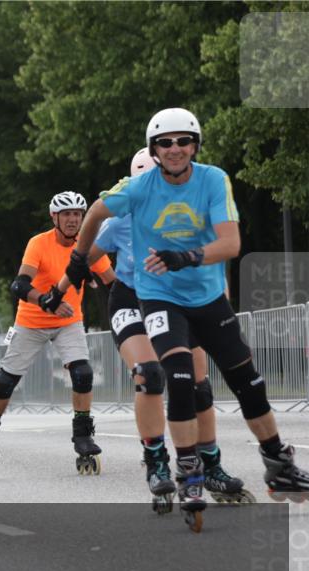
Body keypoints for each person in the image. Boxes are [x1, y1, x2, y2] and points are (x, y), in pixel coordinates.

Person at [65, 107, 309, 527]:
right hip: (156, 297)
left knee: (246, 381)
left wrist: (187, 256)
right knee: (172, 375)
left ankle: (277, 462)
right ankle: (185, 467)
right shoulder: (138, 189)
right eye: (165, 143)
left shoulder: (213, 180)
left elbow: (230, 243)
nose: (175, 149)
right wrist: (77, 260)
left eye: (183, 141)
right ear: (153, 150)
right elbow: (95, 215)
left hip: (206, 295)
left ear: (195, 145)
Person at [59, 148, 252, 513]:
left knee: (198, 385)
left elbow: (213, 256)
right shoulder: (122, 217)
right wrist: (57, 288)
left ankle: (210, 463)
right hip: (131, 297)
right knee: (149, 375)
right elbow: (83, 255)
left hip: (179, 300)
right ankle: (156, 458)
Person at [0, 191, 115, 478]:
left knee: (83, 373)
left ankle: (83, 436)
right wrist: (44, 300)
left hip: (69, 321)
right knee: (5, 382)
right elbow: (19, 285)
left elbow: (111, 283)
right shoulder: (38, 243)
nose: (72, 219)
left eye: (77, 214)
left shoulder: (88, 245)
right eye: (66, 215)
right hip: (31, 320)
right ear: (55, 218)